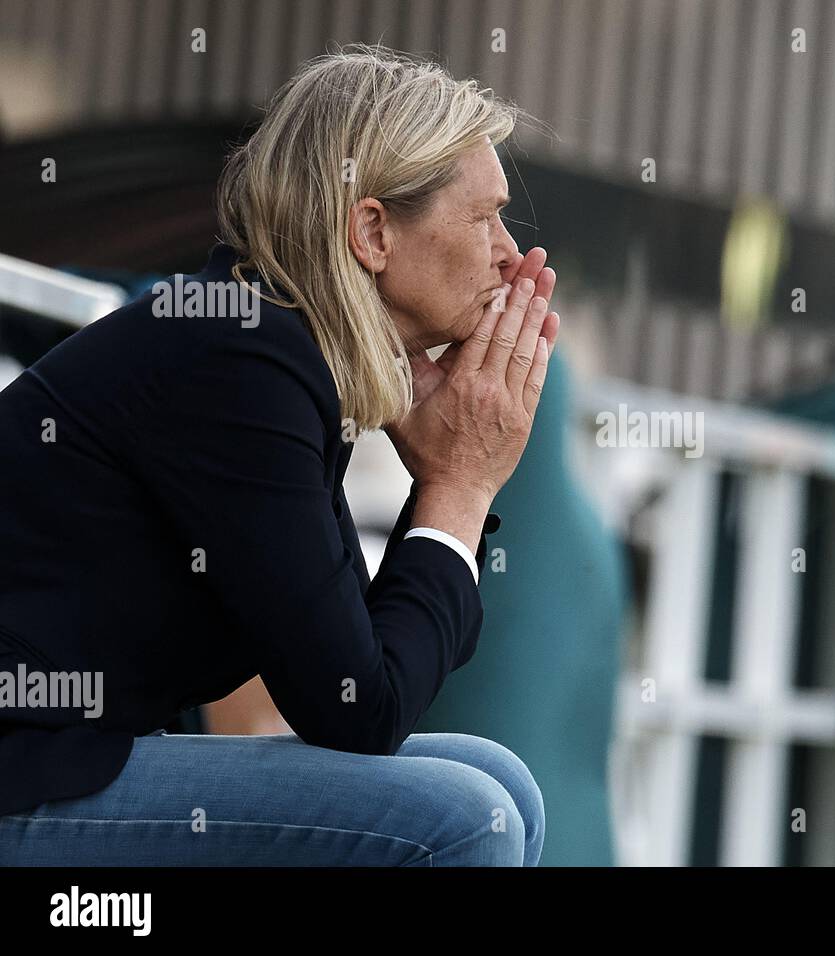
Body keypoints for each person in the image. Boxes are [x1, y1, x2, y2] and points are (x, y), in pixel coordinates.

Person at [0, 46, 555, 866]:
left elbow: (358, 668)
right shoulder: (243, 359)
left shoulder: (269, 344)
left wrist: (449, 486)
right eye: (483, 218)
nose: (511, 255)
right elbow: (356, 706)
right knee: (473, 816)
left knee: (499, 780)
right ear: (372, 231)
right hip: (25, 772)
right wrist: (460, 485)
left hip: (56, 758)